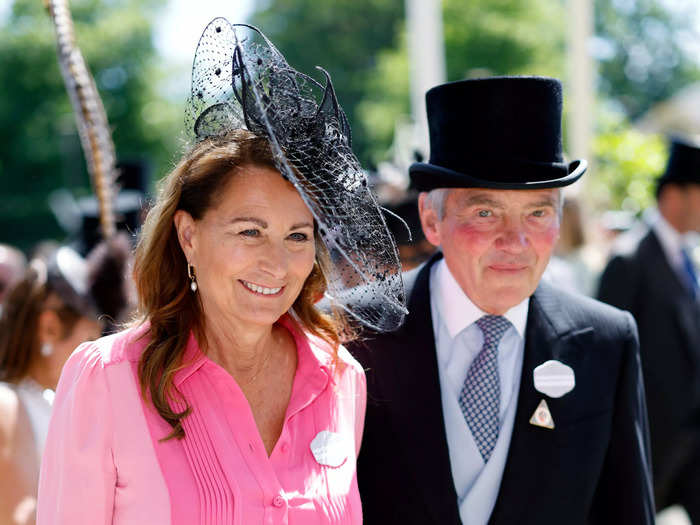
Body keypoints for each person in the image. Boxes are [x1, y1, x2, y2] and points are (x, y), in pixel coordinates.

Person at [37, 21, 404, 525]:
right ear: (188, 235)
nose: (276, 262)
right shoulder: (106, 379)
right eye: (249, 231)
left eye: (298, 236)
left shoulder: (341, 378)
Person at [350, 77, 655, 525]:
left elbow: (626, 509)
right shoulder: (350, 330)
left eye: (538, 212)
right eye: (485, 212)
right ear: (432, 220)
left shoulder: (606, 341)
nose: (515, 241)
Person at [597, 137, 700, 522]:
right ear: (675, 195)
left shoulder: (689, 256)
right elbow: (605, 354)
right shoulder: (630, 259)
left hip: (692, 437)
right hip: (652, 437)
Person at [0, 242, 125, 525]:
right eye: (91, 341)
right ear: (49, 328)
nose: (100, 357)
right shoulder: (6, 404)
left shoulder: (59, 404)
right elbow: (18, 517)